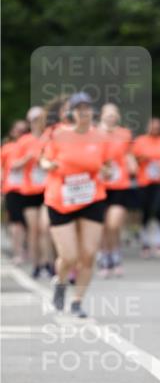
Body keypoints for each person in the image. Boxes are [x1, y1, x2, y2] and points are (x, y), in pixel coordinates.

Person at [41, 92, 112, 316]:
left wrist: (106, 172)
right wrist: (48, 165)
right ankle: (60, 281)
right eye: (78, 108)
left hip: (91, 198)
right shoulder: (58, 135)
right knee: (69, 256)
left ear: (92, 111)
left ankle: (77, 301)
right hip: (61, 199)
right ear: (71, 112)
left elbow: (107, 166)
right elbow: (44, 158)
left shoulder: (100, 137)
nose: (83, 112)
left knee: (89, 254)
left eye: (87, 108)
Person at [11, 106, 54, 277]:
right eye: (34, 120)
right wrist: (27, 158)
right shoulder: (24, 141)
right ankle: (37, 264)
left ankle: (49, 263)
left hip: (47, 190)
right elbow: (13, 166)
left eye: (41, 119)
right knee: (34, 229)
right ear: (30, 122)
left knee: (46, 228)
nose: (38, 123)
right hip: (29, 191)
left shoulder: (50, 138)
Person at [98, 103, 136, 277]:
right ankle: (105, 256)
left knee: (114, 224)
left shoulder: (124, 134)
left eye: (114, 115)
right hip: (100, 185)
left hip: (119, 184)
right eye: (108, 115)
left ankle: (115, 252)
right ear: (102, 116)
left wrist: (132, 163)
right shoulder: (94, 134)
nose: (111, 118)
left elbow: (128, 154)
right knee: (103, 226)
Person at [132, 117, 160, 257]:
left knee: (159, 208)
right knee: (145, 211)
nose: (155, 129)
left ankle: (159, 241)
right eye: (153, 126)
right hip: (144, 181)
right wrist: (143, 158)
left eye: (158, 127)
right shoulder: (141, 141)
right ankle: (145, 241)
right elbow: (133, 159)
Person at [1, 119, 29, 264]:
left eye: (24, 130)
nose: (20, 133)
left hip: (29, 189)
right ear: (12, 132)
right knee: (15, 222)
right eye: (18, 130)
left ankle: (24, 249)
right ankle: (17, 251)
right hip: (12, 189)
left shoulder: (30, 145)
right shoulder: (7, 148)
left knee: (26, 222)